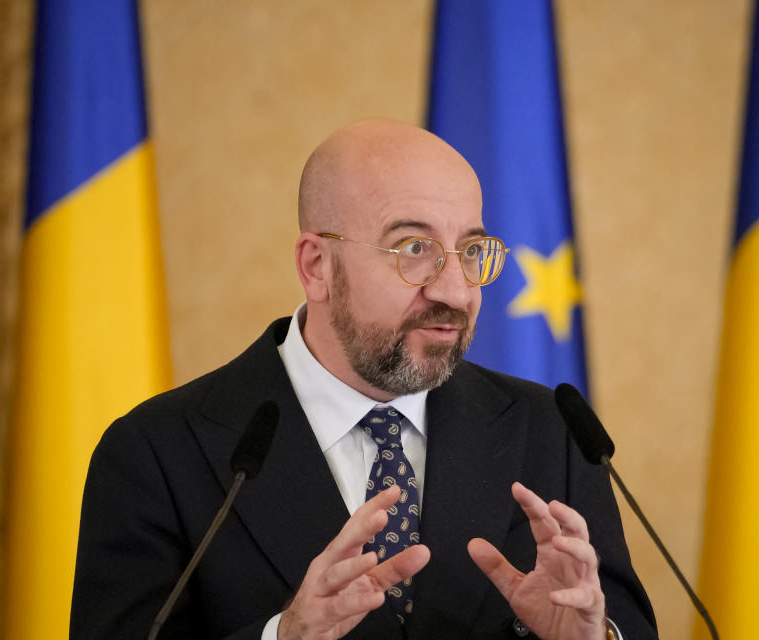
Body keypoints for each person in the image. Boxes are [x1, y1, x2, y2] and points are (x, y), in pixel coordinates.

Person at [70, 119, 658, 640]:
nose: (455, 291)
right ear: (317, 266)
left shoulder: (552, 432)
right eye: (414, 248)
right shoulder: (155, 452)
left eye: (472, 250)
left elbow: (623, 625)